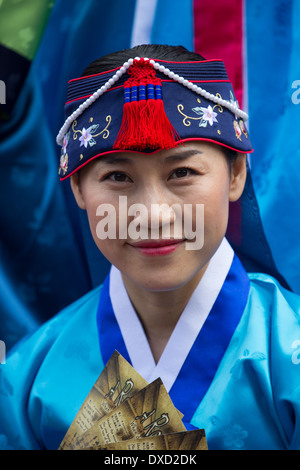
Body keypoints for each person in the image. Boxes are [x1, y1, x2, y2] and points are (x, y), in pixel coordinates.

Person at [0, 44, 300, 451]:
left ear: (235, 174)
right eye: (118, 177)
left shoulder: (290, 354)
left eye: (182, 172)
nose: (153, 214)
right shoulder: (28, 378)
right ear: (77, 188)